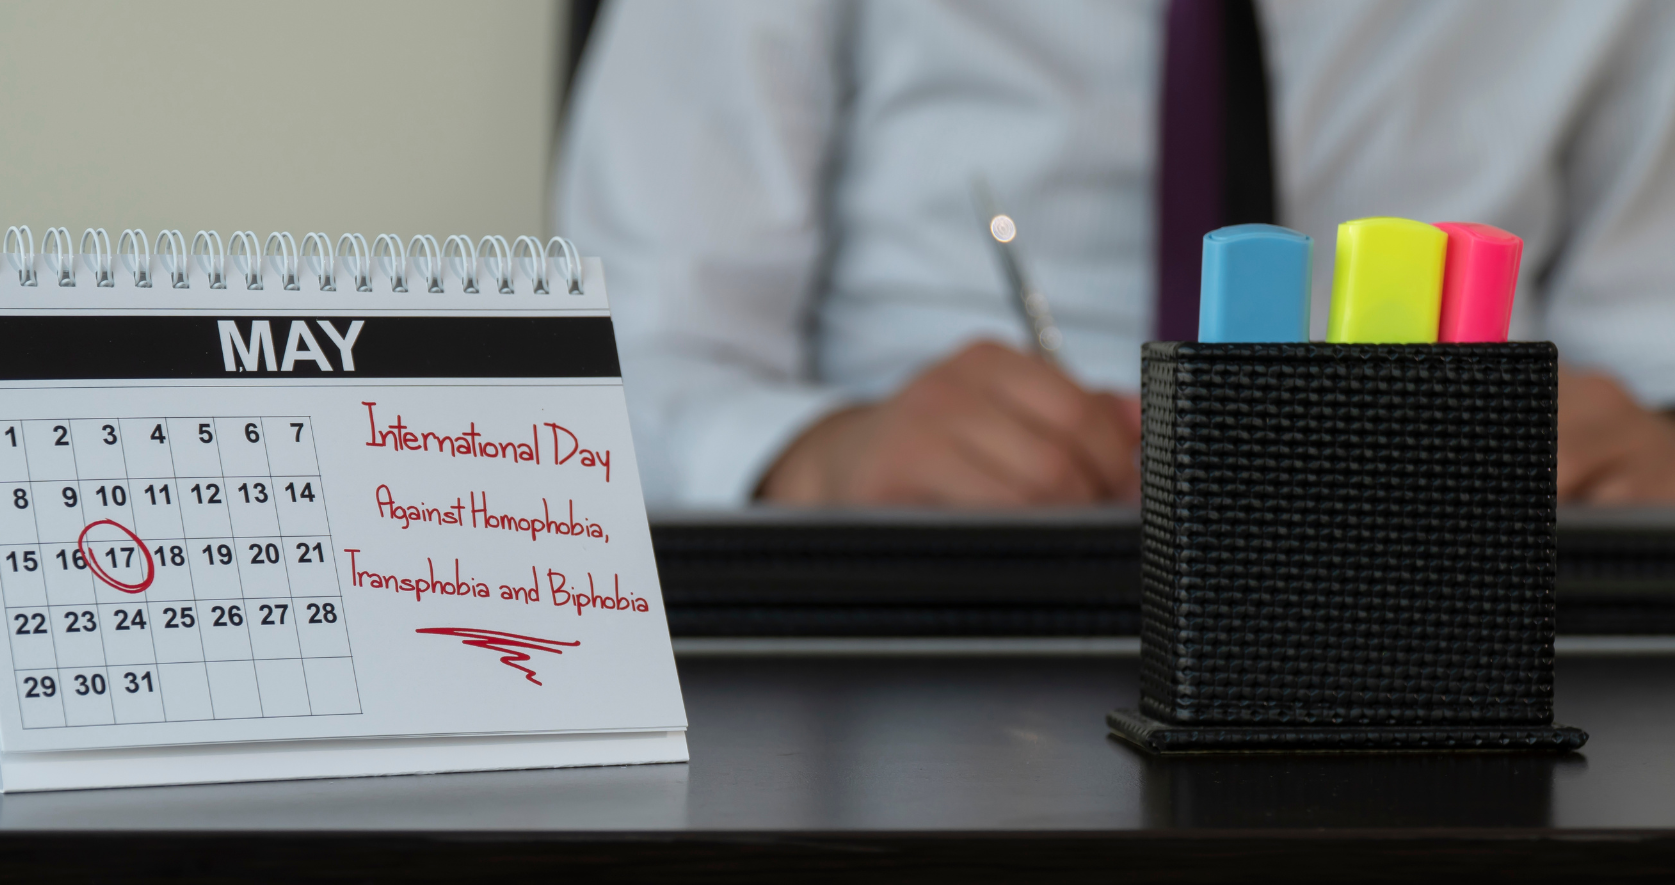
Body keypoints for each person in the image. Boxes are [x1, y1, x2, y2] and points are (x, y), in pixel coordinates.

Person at [553, 0, 1675, 508]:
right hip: (934, 611)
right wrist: (807, 454)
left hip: (1434, 607)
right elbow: (618, 362)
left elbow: (1650, 363)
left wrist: (1643, 452)